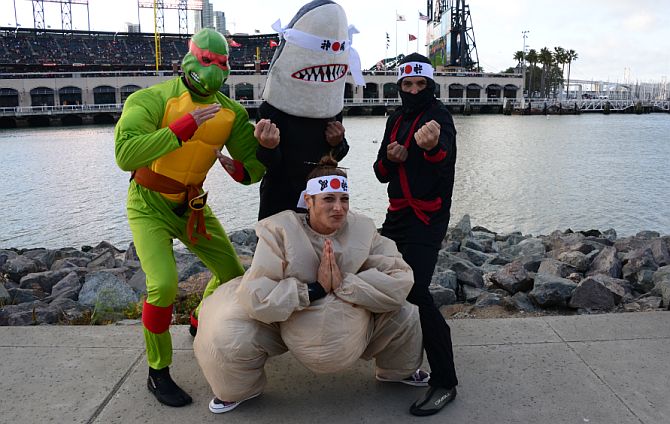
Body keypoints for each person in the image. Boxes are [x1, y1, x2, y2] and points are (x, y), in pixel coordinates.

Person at [114, 28, 276, 407]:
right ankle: (158, 373)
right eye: (209, 61)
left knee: (233, 275)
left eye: (223, 64)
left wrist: (258, 156)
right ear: (190, 58)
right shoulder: (151, 99)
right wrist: (183, 128)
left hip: (192, 206)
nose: (217, 69)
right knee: (163, 286)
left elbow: (254, 168)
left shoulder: (231, 113)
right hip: (148, 203)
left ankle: (200, 319)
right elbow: (126, 155)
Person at [194, 156, 428, 414]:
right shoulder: (280, 230)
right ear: (309, 201)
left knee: (406, 313)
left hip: (358, 327)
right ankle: (237, 389)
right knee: (226, 327)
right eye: (328, 199)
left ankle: (397, 370)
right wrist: (313, 290)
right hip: (287, 325)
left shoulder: (363, 228)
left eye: (344, 199)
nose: (338, 208)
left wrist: (345, 284)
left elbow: (400, 277)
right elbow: (256, 293)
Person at [372, 53, 459, 416]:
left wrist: (432, 150)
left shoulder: (440, 118)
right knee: (381, 279)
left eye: (420, 85)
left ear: (430, 86)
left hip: (428, 217)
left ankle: (445, 382)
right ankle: (399, 361)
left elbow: (447, 168)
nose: (413, 90)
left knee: (417, 290)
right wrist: (392, 158)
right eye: (407, 85)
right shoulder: (394, 119)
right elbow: (379, 172)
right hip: (396, 215)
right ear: (399, 86)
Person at [255, 0, 365, 219]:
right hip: (280, 196)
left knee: (319, 250)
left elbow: (337, 157)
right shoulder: (272, 107)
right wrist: (268, 147)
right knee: (276, 249)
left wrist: (337, 143)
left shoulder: (330, 107)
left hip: (319, 196)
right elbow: (268, 164)